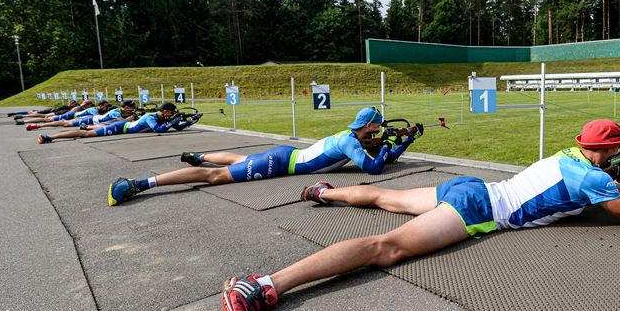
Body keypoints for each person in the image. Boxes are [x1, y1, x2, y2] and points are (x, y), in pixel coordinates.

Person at [219, 118, 620, 311]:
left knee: (386, 198)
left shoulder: (566, 156)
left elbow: (580, 188)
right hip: (481, 206)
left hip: (472, 186)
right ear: (611, 150)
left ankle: (323, 193)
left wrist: (613, 172)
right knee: (385, 248)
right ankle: (260, 285)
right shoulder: (597, 180)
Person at [107, 106, 416, 206]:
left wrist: (406, 142)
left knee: (236, 162)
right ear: (368, 126)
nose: (379, 134)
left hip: (286, 157)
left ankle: (201, 155)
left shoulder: (351, 137)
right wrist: (389, 146)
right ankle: (140, 183)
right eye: (377, 130)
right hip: (281, 163)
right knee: (215, 177)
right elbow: (375, 169)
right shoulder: (351, 143)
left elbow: (383, 159)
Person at [36, 102, 199, 145]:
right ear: (165, 112)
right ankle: (51, 136)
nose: (173, 115)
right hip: (121, 128)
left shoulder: (163, 117)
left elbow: (177, 127)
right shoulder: (150, 116)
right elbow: (159, 130)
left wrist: (191, 121)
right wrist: (174, 121)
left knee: (88, 131)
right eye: (172, 113)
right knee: (85, 134)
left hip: (125, 128)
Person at [25, 100, 135, 130]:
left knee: (54, 119)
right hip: (90, 118)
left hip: (94, 120)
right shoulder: (116, 112)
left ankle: (33, 122)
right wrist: (130, 119)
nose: (132, 109)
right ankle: (37, 125)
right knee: (64, 123)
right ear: (125, 107)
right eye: (131, 107)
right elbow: (121, 121)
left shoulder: (120, 110)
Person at [15, 100, 94, 124]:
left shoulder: (81, 107)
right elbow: (72, 112)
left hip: (63, 113)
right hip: (64, 114)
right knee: (44, 117)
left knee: (43, 117)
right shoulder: (79, 107)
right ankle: (23, 119)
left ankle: (23, 118)